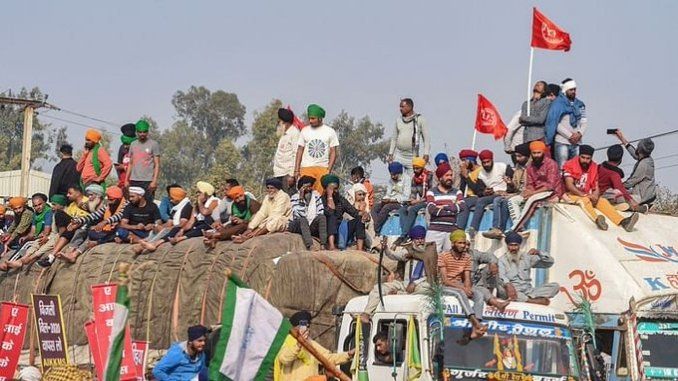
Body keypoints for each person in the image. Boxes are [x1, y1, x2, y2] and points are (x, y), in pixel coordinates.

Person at [362, 226, 436, 318]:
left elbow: (432, 275)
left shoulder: (430, 252)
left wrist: (415, 283)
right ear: (412, 240)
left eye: (422, 238)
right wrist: (386, 249)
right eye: (417, 239)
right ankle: (367, 313)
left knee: (427, 289)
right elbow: (394, 256)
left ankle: (400, 294)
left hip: (421, 284)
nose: (420, 241)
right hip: (404, 284)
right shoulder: (408, 251)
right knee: (378, 288)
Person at [562, 145, 639, 232]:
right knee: (584, 200)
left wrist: (595, 195)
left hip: (588, 194)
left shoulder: (594, 166)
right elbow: (569, 185)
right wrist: (585, 195)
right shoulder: (570, 164)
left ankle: (623, 221)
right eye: (583, 157)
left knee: (603, 201)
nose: (585, 160)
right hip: (571, 195)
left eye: (588, 158)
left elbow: (596, 185)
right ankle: (597, 219)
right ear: (579, 156)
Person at [438, 230, 488, 339]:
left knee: (479, 295)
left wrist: (468, 288)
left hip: (460, 284)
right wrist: (463, 288)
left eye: (464, 243)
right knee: (460, 293)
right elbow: (445, 280)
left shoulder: (467, 257)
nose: (463, 245)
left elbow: (467, 277)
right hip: (445, 286)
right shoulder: (443, 256)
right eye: (460, 243)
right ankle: (475, 323)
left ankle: (475, 330)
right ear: (453, 244)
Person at [274, 311, 353, 381]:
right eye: (303, 326)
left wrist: (348, 355)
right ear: (295, 327)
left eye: (308, 326)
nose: (306, 329)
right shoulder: (287, 341)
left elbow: (327, 358)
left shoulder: (310, 343)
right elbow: (284, 358)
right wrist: (298, 345)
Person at [506, 141, 561, 232]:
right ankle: (519, 226)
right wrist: (527, 193)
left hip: (551, 192)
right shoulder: (530, 166)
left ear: (543, 152)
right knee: (513, 200)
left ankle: (515, 228)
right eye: (534, 153)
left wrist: (532, 193)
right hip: (536, 192)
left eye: (538, 153)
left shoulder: (551, 164)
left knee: (532, 200)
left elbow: (550, 186)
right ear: (531, 154)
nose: (536, 155)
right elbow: (530, 184)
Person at [498, 232, 560, 305]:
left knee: (555, 286)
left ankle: (528, 299)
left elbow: (549, 263)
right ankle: (534, 301)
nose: (513, 248)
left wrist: (539, 252)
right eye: (511, 245)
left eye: (516, 245)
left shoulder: (526, 257)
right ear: (507, 246)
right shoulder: (502, 260)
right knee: (504, 291)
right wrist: (508, 285)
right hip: (513, 290)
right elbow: (501, 276)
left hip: (529, 291)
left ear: (519, 245)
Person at [484, 143, 530, 239]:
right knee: (498, 200)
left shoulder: (531, 168)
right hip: (517, 194)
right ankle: (497, 229)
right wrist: (510, 184)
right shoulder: (518, 168)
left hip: (528, 194)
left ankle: (514, 228)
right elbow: (517, 187)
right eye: (516, 156)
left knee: (504, 200)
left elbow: (527, 188)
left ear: (527, 156)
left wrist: (511, 194)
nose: (517, 159)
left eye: (519, 156)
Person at [388, 98, 430, 201]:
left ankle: (410, 202)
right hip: (399, 155)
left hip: (413, 157)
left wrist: (426, 153)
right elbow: (394, 138)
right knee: (396, 179)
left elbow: (426, 138)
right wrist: (390, 153)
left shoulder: (420, 120)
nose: (400, 109)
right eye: (400, 107)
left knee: (412, 181)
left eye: (402, 106)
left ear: (410, 107)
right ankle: (395, 200)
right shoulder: (398, 121)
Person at [294, 104, 339, 194]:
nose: (310, 121)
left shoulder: (330, 131)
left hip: (322, 168)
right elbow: (300, 150)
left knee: (320, 195)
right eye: (309, 118)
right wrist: (296, 169)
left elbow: (333, 152)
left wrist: (328, 169)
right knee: (305, 194)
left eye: (313, 118)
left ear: (320, 118)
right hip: (306, 168)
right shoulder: (305, 131)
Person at [466, 150, 513, 236]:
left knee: (497, 201)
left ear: (492, 160)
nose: (486, 164)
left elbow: (512, 182)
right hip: (492, 194)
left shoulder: (502, 167)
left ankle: (497, 228)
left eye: (488, 162)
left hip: (505, 194)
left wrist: (507, 189)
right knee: (480, 201)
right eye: (484, 163)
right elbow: (479, 191)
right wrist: (484, 192)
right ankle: (473, 228)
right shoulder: (481, 174)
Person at [0, 194, 51, 270]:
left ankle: (10, 263)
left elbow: (20, 229)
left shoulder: (29, 213)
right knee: (22, 242)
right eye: (35, 206)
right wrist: (8, 234)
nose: (18, 210)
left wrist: (9, 241)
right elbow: (16, 225)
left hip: (41, 236)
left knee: (25, 245)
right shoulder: (35, 214)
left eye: (19, 208)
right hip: (32, 235)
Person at [233, 178, 291, 244]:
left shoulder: (284, 196)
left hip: (283, 221)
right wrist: (250, 228)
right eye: (268, 188)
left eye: (272, 188)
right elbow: (262, 213)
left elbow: (276, 215)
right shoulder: (267, 197)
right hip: (268, 221)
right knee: (255, 218)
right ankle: (244, 235)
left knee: (277, 220)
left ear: (277, 189)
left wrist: (258, 230)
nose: (269, 190)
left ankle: (251, 237)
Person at [546, 78, 588, 167]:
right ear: (565, 90)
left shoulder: (580, 104)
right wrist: (569, 136)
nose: (573, 92)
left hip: (577, 142)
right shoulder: (557, 104)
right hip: (562, 141)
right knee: (562, 168)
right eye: (571, 90)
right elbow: (555, 123)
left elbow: (584, 121)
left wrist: (579, 133)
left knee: (576, 168)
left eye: (574, 89)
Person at [425, 162, 466, 253]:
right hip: (435, 231)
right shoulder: (431, 192)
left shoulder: (457, 192)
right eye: (447, 175)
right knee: (430, 259)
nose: (450, 178)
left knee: (449, 261)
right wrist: (453, 208)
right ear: (440, 178)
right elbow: (432, 210)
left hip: (451, 232)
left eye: (451, 175)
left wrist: (443, 207)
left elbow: (462, 207)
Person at [139, 186, 193, 252]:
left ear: (178, 199)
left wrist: (168, 228)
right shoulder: (175, 208)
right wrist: (158, 226)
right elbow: (169, 222)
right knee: (156, 228)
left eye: (172, 198)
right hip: (173, 227)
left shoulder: (187, 207)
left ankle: (151, 244)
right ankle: (146, 241)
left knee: (165, 230)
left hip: (178, 229)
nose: (170, 200)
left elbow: (183, 223)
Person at [322, 174, 369, 251]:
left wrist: (364, 214)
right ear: (326, 189)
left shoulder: (340, 199)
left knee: (360, 219)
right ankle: (331, 246)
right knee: (332, 216)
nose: (335, 191)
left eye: (336, 188)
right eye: (332, 189)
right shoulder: (321, 200)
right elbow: (331, 211)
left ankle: (359, 250)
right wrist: (330, 197)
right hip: (327, 230)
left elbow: (354, 212)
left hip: (341, 230)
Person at [598, 144, 648, 213]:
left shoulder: (600, 166)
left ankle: (621, 205)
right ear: (620, 159)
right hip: (605, 196)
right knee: (637, 198)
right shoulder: (614, 174)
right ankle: (615, 206)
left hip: (600, 193)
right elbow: (619, 188)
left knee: (631, 193)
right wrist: (631, 201)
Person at [614, 130, 657, 205]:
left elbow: (631, 182)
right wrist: (621, 138)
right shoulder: (645, 157)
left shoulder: (644, 165)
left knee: (614, 197)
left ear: (639, 149)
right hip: (642, 192)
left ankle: (637, 207)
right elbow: (634, 153)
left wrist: (616, 186)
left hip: (642, 196)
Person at [288, 176, 327, 250]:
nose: (309, 189)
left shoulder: (316, 196)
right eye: (306, 187)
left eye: (310, 186)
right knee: (302, 219)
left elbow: (320, 211)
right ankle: (310, 245)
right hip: (298, 225)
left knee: (322, 217)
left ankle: (323, 244)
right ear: (301, 187)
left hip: (311, 224)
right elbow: (298, 215)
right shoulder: (294, 197)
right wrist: (301, 199)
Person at [125, 119, 161, 201]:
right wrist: (126, 180)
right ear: (137, 132)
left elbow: (157, 164)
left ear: (147, 132)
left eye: (144, 132)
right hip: (134, 180)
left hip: (147, 180)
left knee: (147, 204)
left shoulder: (153, 144)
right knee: (134, 203)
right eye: (140, 132)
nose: (142, 134)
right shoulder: (133, 144)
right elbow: (130, 163)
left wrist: (154, 181)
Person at [371, 161, 407, 235]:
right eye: (391, 175)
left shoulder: (406, 181)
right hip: (390, 202)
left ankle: (376, 229)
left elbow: (405, 197)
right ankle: (378, 225)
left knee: (386, 207)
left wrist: (391, 200)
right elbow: (388, 193)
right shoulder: (391, 181)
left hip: (401, 204)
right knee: (375, 208)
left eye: (394, 175)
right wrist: (384, 199)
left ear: (399, 173)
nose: (393, 177)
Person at [274, 108, 301, 195]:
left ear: (284, 122)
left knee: (289, 201)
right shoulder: (283, 135)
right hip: (279, 173)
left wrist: (292, 175)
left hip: (287, 175)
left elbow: (296, 154)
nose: (278, 124)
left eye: (279, 121)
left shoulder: (294, 133)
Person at [456, 149, 482, 229]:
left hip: (477, 197)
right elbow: (462, 190)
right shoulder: (466, 172)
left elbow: (478, 190)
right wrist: (463, 176)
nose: (462, 163)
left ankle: (460, 227)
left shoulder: (481, 171)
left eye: (464, 160)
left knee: (464, 203)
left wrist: (467, 177)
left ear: (471, 160)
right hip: (467, 196)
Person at [115, 123, 137, 188]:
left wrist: (125, 167)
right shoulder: (122, 148)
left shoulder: (139, 148)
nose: (125, 146)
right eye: (124, 144)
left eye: (127, 144)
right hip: (124, 180)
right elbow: (119, 163)